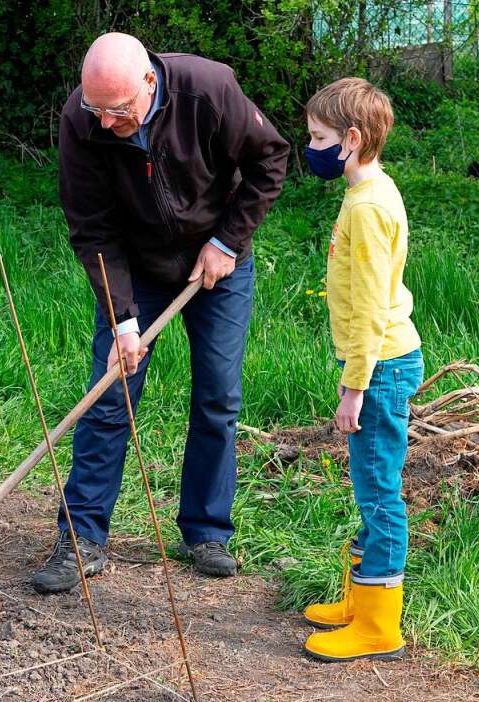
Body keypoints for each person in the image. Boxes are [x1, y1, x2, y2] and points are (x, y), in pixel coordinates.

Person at [35, 32, 289, 593]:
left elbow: (270, 159)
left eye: (118, 110)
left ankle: (205, 529)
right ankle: (81, 538)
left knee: (218, 395)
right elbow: (92, 229)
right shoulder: (83, 120)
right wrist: (123, 320)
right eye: (96, 109)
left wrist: (227, 243)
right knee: (110, 393)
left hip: (215, 261)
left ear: (149, 82)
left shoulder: (209, 88)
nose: (105, 123)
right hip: (135, 267)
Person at [301, 77, 423, 662]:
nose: (312, 148)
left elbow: (373, 307)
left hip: (383, 365)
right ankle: (360, 599)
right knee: (368, 483)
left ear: (351, 139)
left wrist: (355, 387)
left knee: (379, 491)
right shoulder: (363, 194)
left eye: (319, 138)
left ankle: (379, 624)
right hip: (379, 362)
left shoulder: (370, 207)